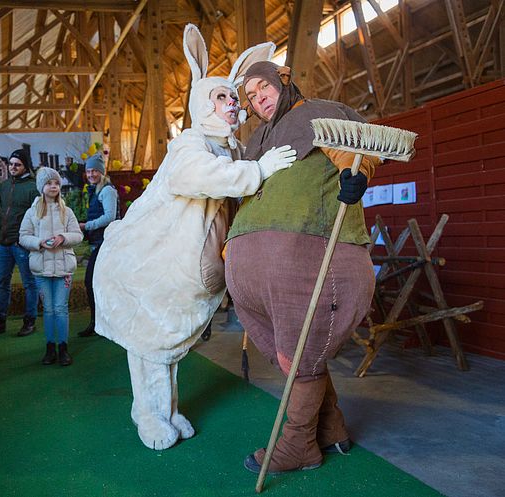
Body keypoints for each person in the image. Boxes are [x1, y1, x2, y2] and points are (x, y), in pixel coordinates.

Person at [92, 25, 296, 451]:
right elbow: (193, 176)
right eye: (219, 97)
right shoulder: (191, 144)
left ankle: (166, 410)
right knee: (151, 343)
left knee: (167, 347)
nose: (231, 104)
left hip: (186, 272)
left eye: (232, 97)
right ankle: (147, 414)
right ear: (201, 103)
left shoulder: (230, 150)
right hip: (151, 264)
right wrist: (259, 171)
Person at [226, 60, 379, 475]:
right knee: (298, 353)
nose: (260, 100)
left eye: (264, 88)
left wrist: (357, 175)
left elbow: (356, 155)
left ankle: (298, 445)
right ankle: (330, 428)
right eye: (252, 97)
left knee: (300, 353)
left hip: (310, 255)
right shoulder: (260, 138)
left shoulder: (320, 113)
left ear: (284, 80)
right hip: (260, 273)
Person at [19, 168, 83, 366]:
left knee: (60, 308)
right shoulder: (32, 212)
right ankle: (50, 348)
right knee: (48, 309)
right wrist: (39, 242)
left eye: (56, 182)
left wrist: (63, 238)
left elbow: (78, 235)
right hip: (41, 270)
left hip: (64, 269)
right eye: (49, 183)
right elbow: (23, 236)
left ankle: (63, 348)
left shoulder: (67, 212)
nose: (53, 186)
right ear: (41, 187)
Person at [0, 149, 39, 337]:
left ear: (25, 166)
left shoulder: (33, 188)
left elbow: (37, 219)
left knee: (29, 283)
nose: (13, 167)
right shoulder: (4, 186)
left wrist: (27, 241)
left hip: (21, 244)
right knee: (2, 283)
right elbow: (1, 212)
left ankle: (30, 321)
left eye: (17, 164)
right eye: (11, 164)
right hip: (4, 243)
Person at [77, 153, 118, 337]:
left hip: (106, 243)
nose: (91, 174)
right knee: (98, 283)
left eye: (94, 170)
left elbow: (109, 216)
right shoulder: (95, 190)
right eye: (88, 171)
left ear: (101, 172)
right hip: (98, 242)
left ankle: (97, 323)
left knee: (90, 281)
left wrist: (87, 225)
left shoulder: (107, 191)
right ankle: (101, 323)